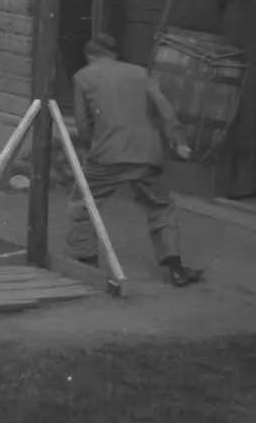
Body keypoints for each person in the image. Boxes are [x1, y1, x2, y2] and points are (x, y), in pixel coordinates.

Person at [65, 34, 204, 287]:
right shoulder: (140, 73)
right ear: (115, 54)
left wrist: (91, 149)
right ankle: (175, 269)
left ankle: (86, 262)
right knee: (161, 208)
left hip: (106, 156)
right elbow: (165, 108)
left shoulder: (82, 77)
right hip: (146, 155)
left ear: (90, 55)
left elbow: (83, 124)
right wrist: (179, 140)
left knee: (82, 202)